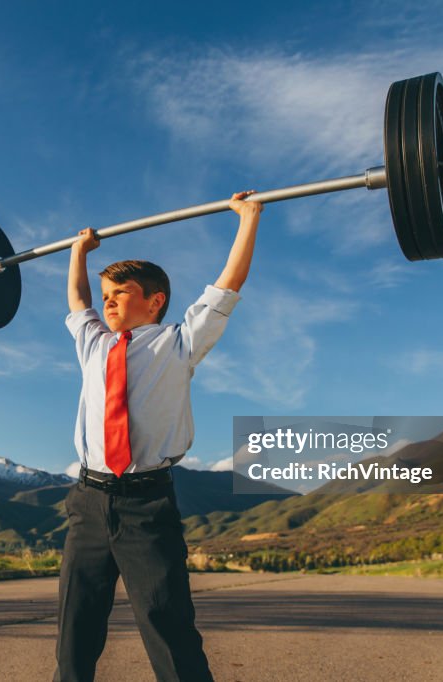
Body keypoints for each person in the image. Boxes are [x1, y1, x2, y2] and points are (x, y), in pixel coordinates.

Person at [54, 191, 263, 682]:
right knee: (74, 632)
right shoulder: (92, 343)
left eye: (120, 294)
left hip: (147, 505)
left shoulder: (179, 343)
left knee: (168, 627)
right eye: (107, 295)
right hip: (88, 501)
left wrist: (248, 218)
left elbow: (226, 286)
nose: (107, 302)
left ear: (155, 301)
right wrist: (78, 254)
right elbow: (78, 299)